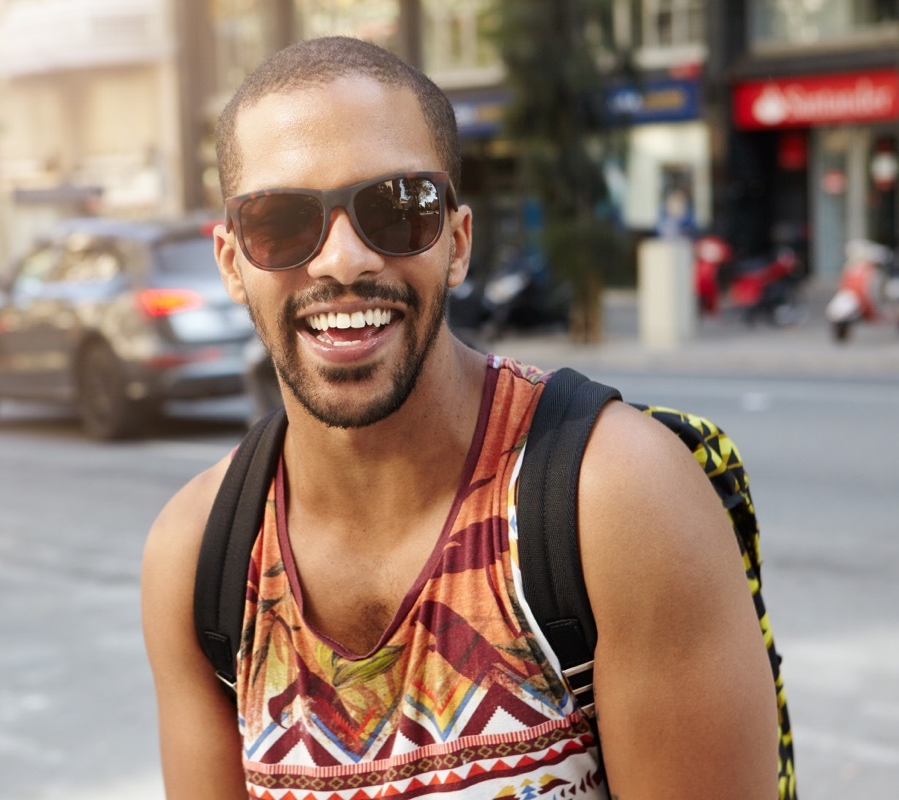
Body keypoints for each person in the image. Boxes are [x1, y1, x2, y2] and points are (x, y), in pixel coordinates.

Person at [141, 36, 778, 799]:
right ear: (231, 262)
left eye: (397, 208)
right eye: (280, 220)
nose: (343, 261)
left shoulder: (612, 500)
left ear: (458, 243)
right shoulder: (200, 558)